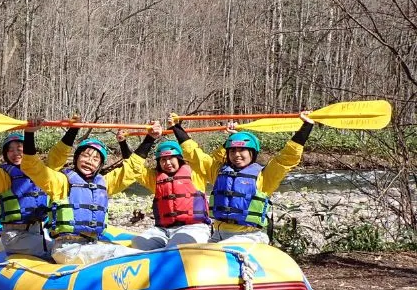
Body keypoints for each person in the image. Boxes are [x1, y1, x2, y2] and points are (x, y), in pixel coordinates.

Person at [170, 111, 314, 244]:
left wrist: (306, 127)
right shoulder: (218, 171)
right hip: (218, 234)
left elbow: (286, 159)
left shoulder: (264, 176)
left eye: (242, 150)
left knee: (221, 254)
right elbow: (194, 155)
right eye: (232, 151)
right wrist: (177, 127)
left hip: (250, 235)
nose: (237, 155)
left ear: (252, 153)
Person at [20, 124, 144, 266]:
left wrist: (149, 139)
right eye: (85, 155)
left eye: (95, 159)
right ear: (77, 158)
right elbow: (33, 167)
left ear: (100, 165)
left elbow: (132, 170)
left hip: (91, 244)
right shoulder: (61, 181)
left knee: (131, 252)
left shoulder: (105, 183)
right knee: (121, 254)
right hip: (67, 249)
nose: (89, 161)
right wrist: (29, 134)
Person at [0, 128, 72, 259]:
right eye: (10, 150)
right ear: (5, 154)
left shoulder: (41, 174)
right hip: (15, 237)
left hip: (38, 231)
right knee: (61, 252)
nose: (15, 153)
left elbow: (58, 156)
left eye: (19, 148)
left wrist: (72, 130)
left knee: (66, 246)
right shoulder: (3, 177)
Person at [129, 121, 213, 250]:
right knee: (138, 244)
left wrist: (176, 127)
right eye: (163, 159)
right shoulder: (155, 178)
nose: (167, 162)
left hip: (194, 227)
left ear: (179, 158)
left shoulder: (196, 172)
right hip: (162, 229)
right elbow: (132, 168)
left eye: (171, 158)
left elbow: (194, 153)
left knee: (177, 245)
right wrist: (123, 143)